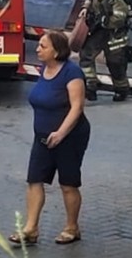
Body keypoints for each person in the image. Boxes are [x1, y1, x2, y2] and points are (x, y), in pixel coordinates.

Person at [8, 29, 90, 247]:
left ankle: (72, 227)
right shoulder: (44, 69)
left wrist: (61, 133)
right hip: (42, 137)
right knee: (34, 180)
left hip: (69, 136)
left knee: (68, 184)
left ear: (57, 51)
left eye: (43, 46)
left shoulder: (72, 73)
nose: (37, 49)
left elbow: (77, 107)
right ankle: (31, 229)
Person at [79, 0, 132, 102]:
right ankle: (90, 86)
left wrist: (105, 21)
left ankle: (121, 90)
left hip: (114, 34)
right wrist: (86, 9)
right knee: (86, 55)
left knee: (115, 63)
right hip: (99, 31)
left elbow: (119, 17)